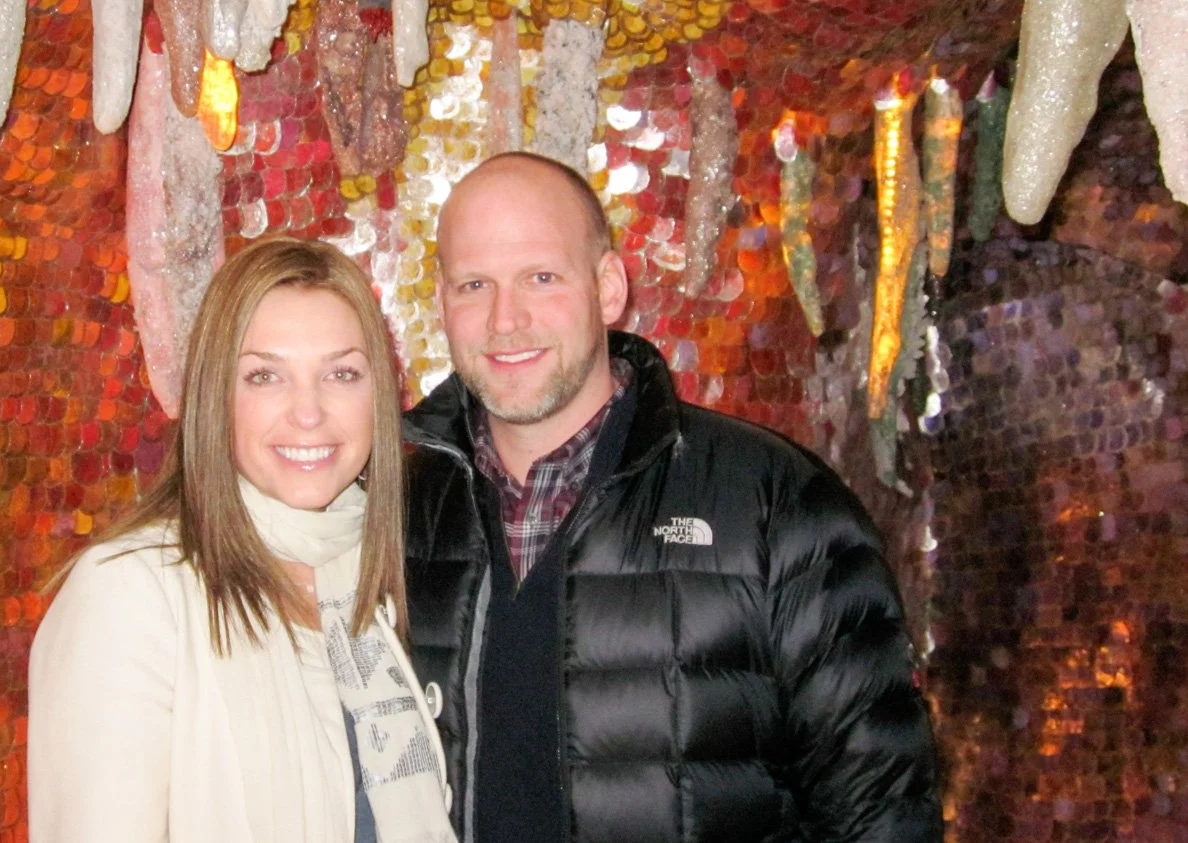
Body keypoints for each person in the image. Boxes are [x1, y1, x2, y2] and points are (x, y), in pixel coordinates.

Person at [402, 152, 943, 842]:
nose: (506, 319)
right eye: (474, 283)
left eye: (541, 276)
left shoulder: (775, 503)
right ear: (443, 302)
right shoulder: (398, 512)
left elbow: (881, 813)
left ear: (607, 287)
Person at [28, 237, 456, 843]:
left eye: (341, 373)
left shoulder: (375, 574)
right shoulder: (131, 592)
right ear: (214, 397)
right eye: (264, 376)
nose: (308, 412)